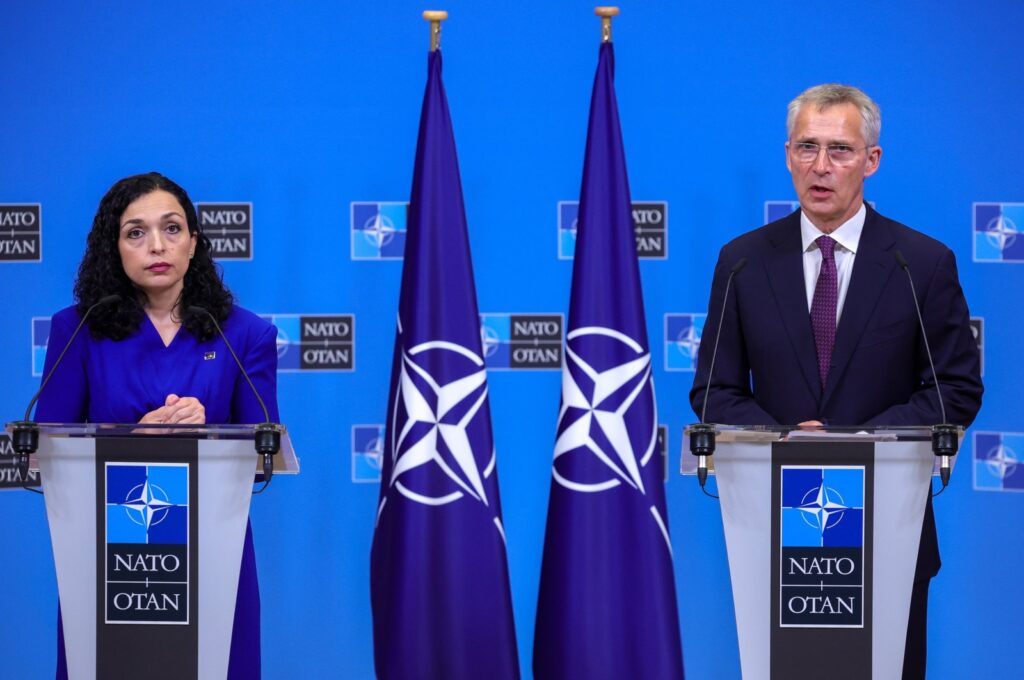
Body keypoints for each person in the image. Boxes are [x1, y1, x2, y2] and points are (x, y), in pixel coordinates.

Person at [689, 84, 982, 678]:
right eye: (807, 148)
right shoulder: (742, 261)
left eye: (841, 150)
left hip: (889, 532)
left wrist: (852, 448)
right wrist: (792, 445)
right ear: (788, 154)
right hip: (778, 533)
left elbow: (954, 389)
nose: (821, 167)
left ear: (871, 160)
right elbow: (714, 393)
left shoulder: (921, 263)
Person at [36, 172, 279, 679]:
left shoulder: (244, 333)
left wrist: (209, 430)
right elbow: (46, 457)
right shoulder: (78, 327)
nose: (156, 245)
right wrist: (131, 441)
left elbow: (264, 457)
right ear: (115, 248)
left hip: (213, 546)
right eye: (135, 232)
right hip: (112, 553)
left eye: (172, 229)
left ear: (194, 241)